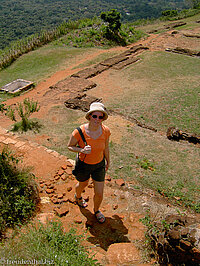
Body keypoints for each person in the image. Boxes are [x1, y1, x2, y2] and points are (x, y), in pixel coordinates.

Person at [67, 102, 110, 223]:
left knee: (99, 193)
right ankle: (78, 196)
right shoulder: (79, 132)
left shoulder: (106, 131)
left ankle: (96, 210)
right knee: (83, 184)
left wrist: (108, 161)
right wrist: (81, 150)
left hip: (99, 165)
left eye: (100, 117)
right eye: (94, 116)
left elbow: (106, 147)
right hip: (84, 164)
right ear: (90, 116)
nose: (97, 119)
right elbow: (70, 146)